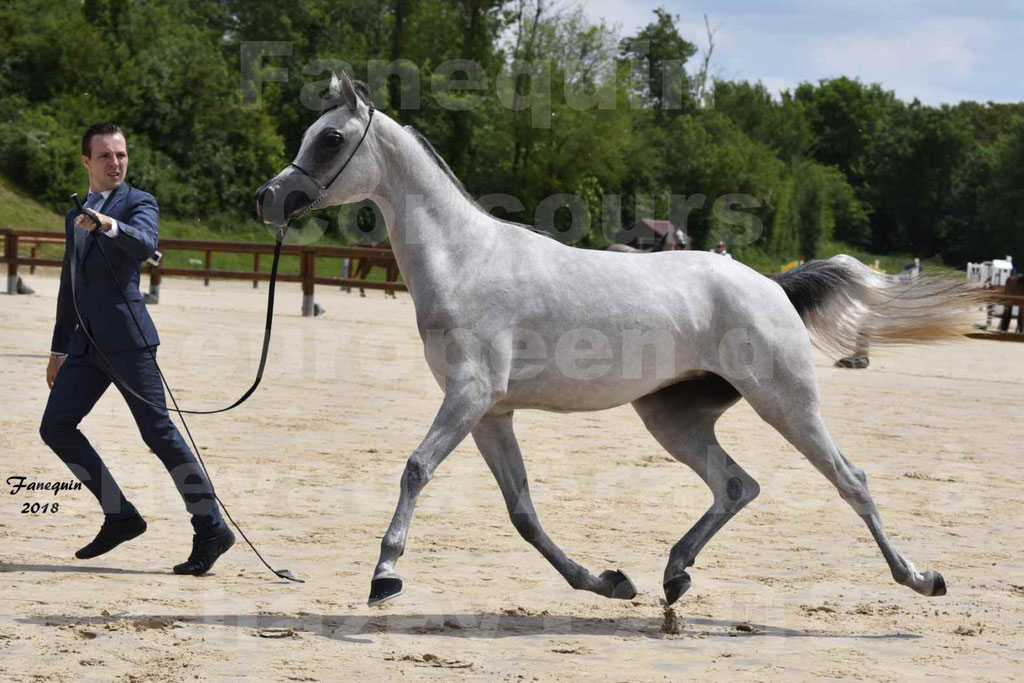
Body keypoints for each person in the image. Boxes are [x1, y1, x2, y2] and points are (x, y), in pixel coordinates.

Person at [39, 123, 234, 575]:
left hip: (129, 343)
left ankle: (211, 527)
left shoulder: (138, 203)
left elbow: (146, 243)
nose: (115, 163)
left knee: (159, 434)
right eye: (105, 156)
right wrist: (58, 348)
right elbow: (71, 286)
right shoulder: (75, 214)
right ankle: (120, 514)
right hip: (85, 345)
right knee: (56, 427)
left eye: (121, 155)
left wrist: (107, 224)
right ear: (86, 160)